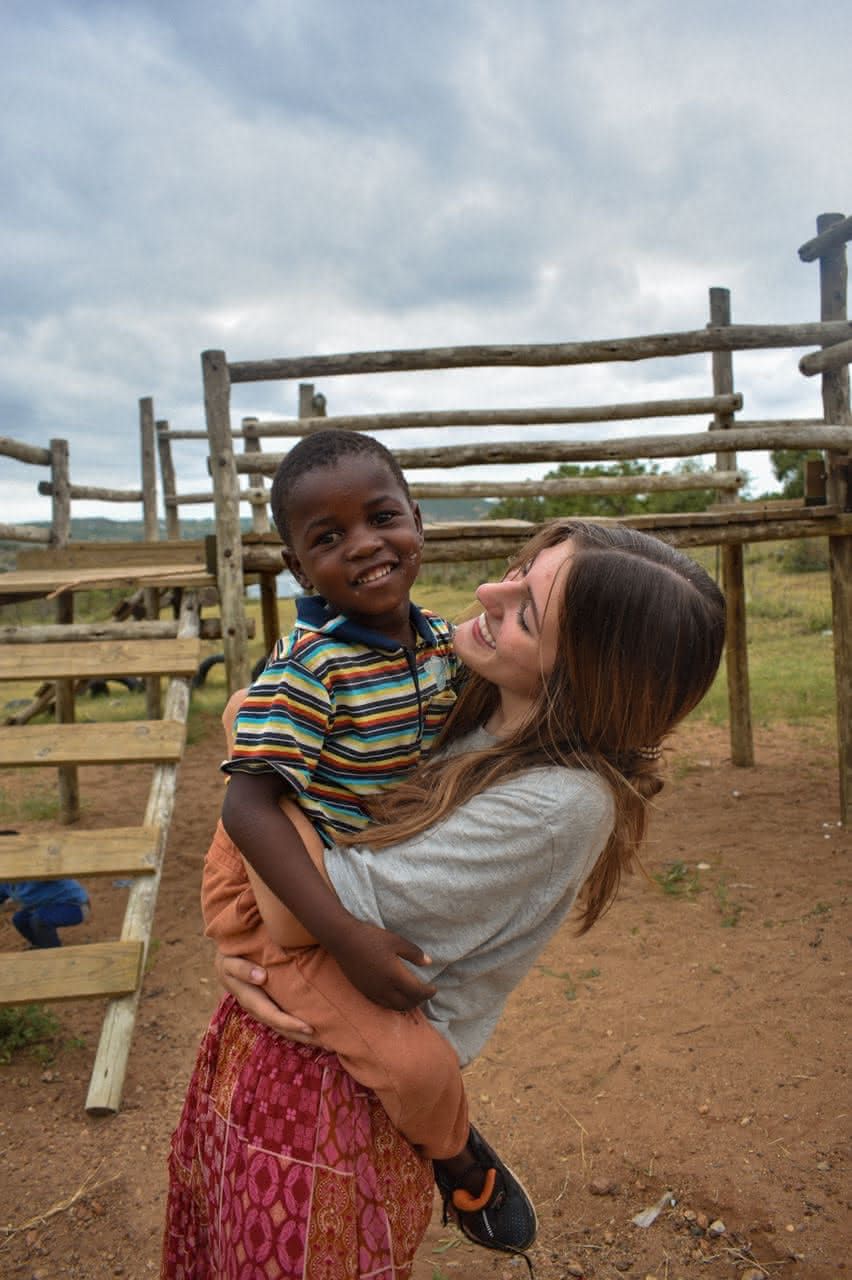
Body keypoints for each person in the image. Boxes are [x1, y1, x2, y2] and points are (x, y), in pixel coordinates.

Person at [163, 519, 726, 1280]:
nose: (487, 593)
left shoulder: (560, 805)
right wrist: (240, 934)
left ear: (585, 675)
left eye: (526, 611)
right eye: (518, 570)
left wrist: (243, 727)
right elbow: (285, 863)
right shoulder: (455, 688)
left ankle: (454, 1150)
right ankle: (457, 1153)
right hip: (270, 1033)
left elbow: (297, 914)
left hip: (336, 1097)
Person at [0, 877, 90, 948]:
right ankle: (42, 947)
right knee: (19, 919)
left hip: (76, 906)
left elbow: (54, 870)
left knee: (39, 919)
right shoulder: (7, 880)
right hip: (46, 907)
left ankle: (54, 954)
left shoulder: (35, 870)